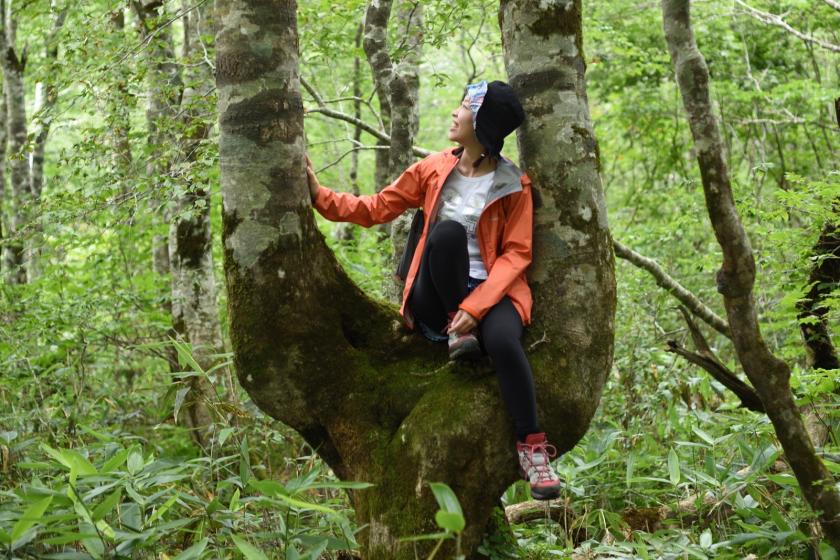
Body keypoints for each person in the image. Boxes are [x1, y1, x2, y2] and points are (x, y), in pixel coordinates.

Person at [305, 80, 562, 500]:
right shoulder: (434, 168)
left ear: (481, 123)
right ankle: (456, 329)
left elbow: (516, 255)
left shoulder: (514, 184)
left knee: (503, 341)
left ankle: (533, 449)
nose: (454, 113)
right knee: (443, 235)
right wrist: (320, 197)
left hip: (492, 293)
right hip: (435, 295)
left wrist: (477, 307)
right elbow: (376, 207)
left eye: (463, 107)